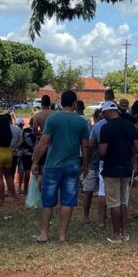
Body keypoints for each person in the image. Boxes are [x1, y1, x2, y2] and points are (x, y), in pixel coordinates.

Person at [32, 90, 90, 243]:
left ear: (60, 102)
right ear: (74, 104)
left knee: (48, 201)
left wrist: (35, 162)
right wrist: (85, 164)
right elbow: (85, 146)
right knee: (68, 201)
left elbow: (44, 142)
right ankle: (62, 235)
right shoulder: (81, 122)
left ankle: (43, 234)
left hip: (53, 165)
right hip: (72, 166)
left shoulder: (53, 119)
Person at [98, 101, 138, 243]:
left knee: (114, 202)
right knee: (123, 201)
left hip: (111, 168)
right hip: (126, 168)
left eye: (103, 114)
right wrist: (127, 153)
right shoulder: (129, 126)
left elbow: (102, 151)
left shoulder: (106, 128)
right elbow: (136, 148)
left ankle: (116, 235)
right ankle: (124, 232)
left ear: (107, 112)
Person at [82, 108, 106, 226]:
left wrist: (85, 163)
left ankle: (86, 216)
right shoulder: (109, 125)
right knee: (104, 191)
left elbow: (89, 145)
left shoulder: (94, 128)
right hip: (104, 162)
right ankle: (103, 215)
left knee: (89, 191)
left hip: (93, 162)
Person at [0, 113, 18, 205]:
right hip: (7, 153)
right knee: (9, 176)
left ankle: (2, 200)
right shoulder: (9, 133)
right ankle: (14, 196)